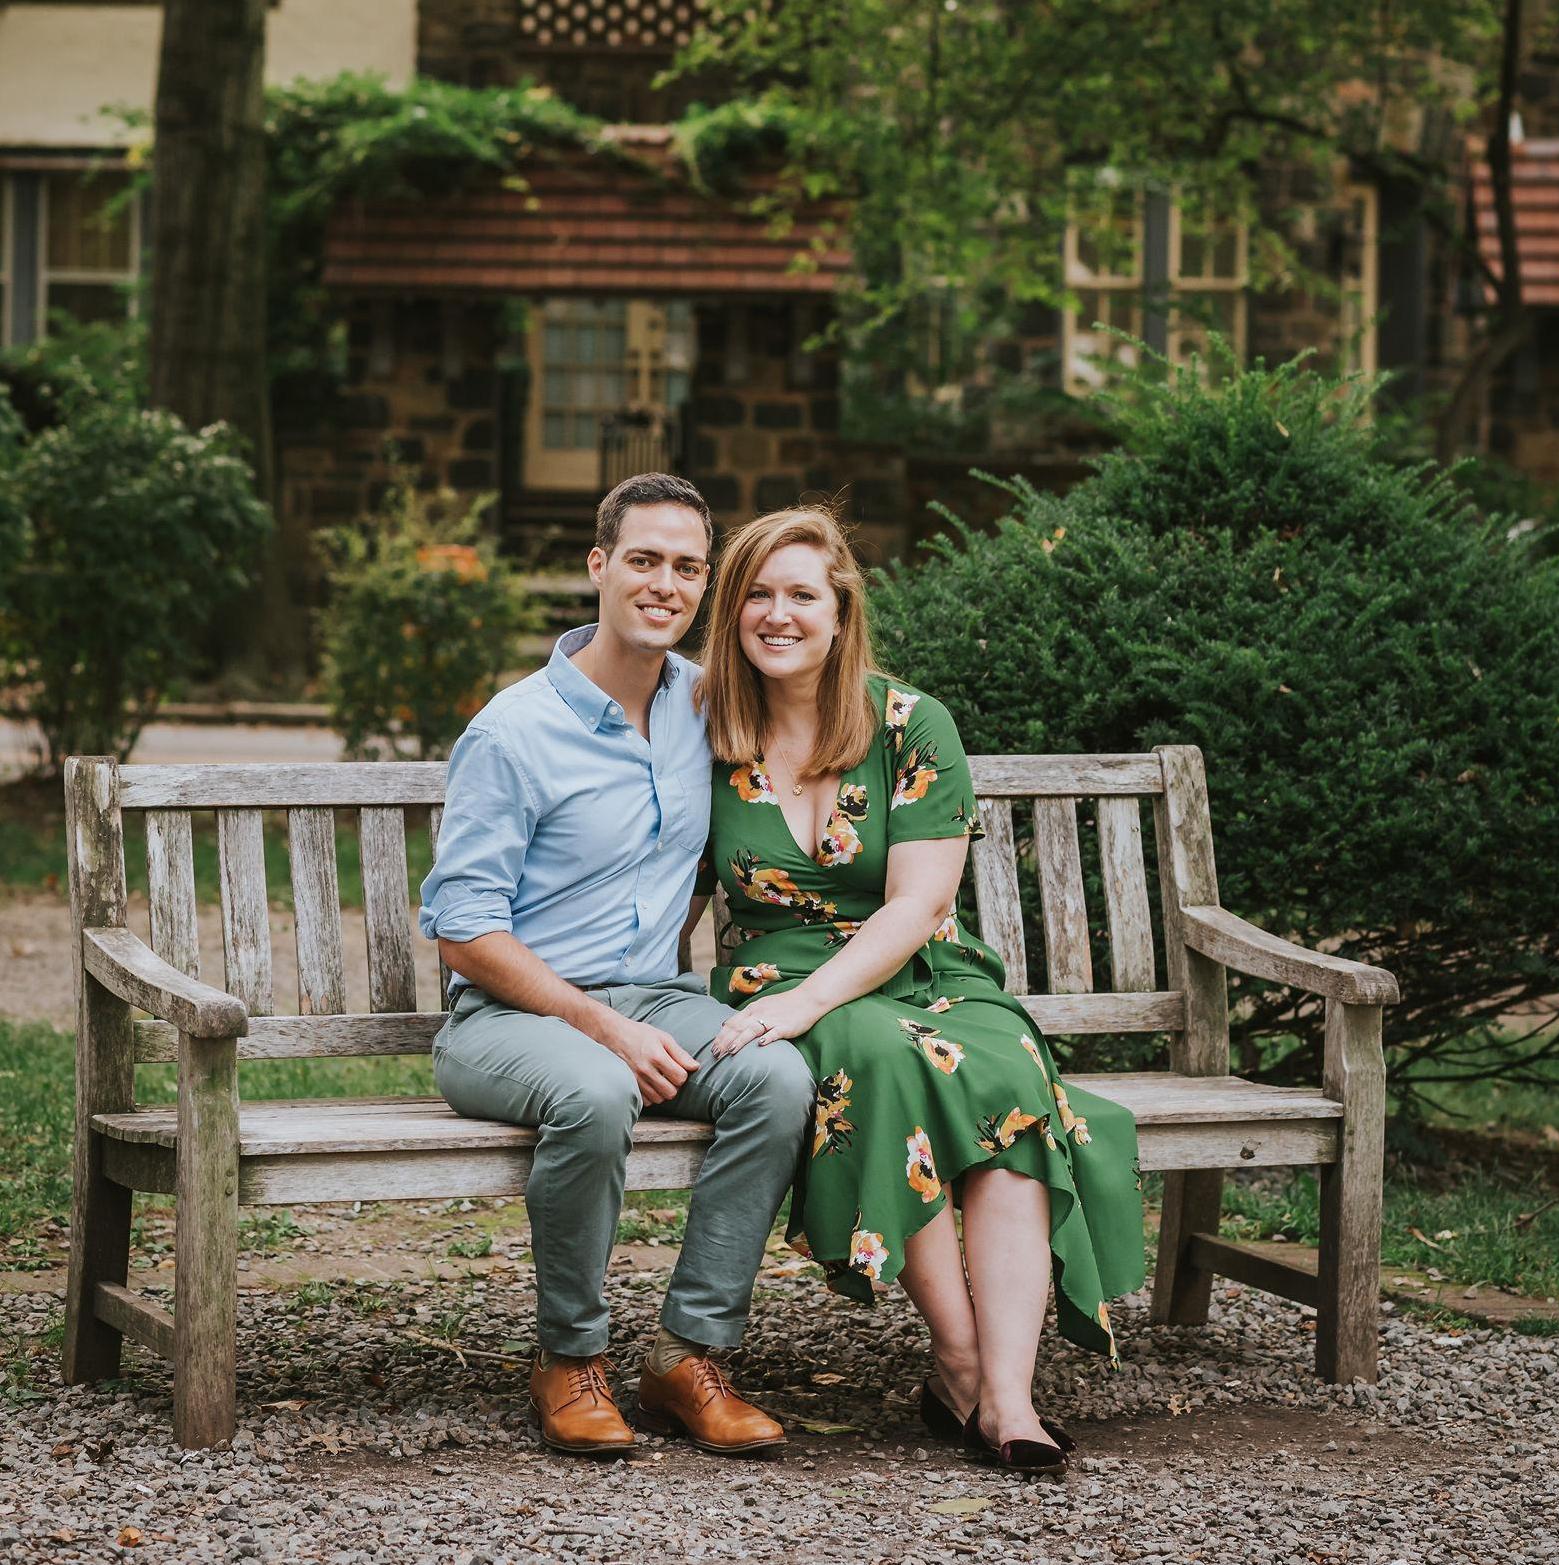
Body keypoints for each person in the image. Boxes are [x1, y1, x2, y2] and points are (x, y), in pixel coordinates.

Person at [698, 505, 1146, 1474]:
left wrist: (807, 1003)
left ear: (839, 606)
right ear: (730, 609)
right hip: (780, 979)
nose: (777, 614)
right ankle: (956, 1357)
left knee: (1005, 1086)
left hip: (925, 970)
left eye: (800, 594)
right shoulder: (707, 730)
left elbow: (918, 902)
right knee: (880, 1058)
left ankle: (1008, 1395)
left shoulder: (909, 722)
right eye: (757, 595)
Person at [419, 473, 814, 1459]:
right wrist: (599, 1024)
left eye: (687, 566)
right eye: (643, 559)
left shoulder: (706, 703)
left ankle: (687, 1355)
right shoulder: (511, 732)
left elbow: (822, 695)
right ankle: (569, 1358)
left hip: (654, 997)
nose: (664, 583)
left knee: (772, 1076)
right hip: (506, 1019)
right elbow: (464, 932)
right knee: (595, 1091)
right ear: (597, 566)